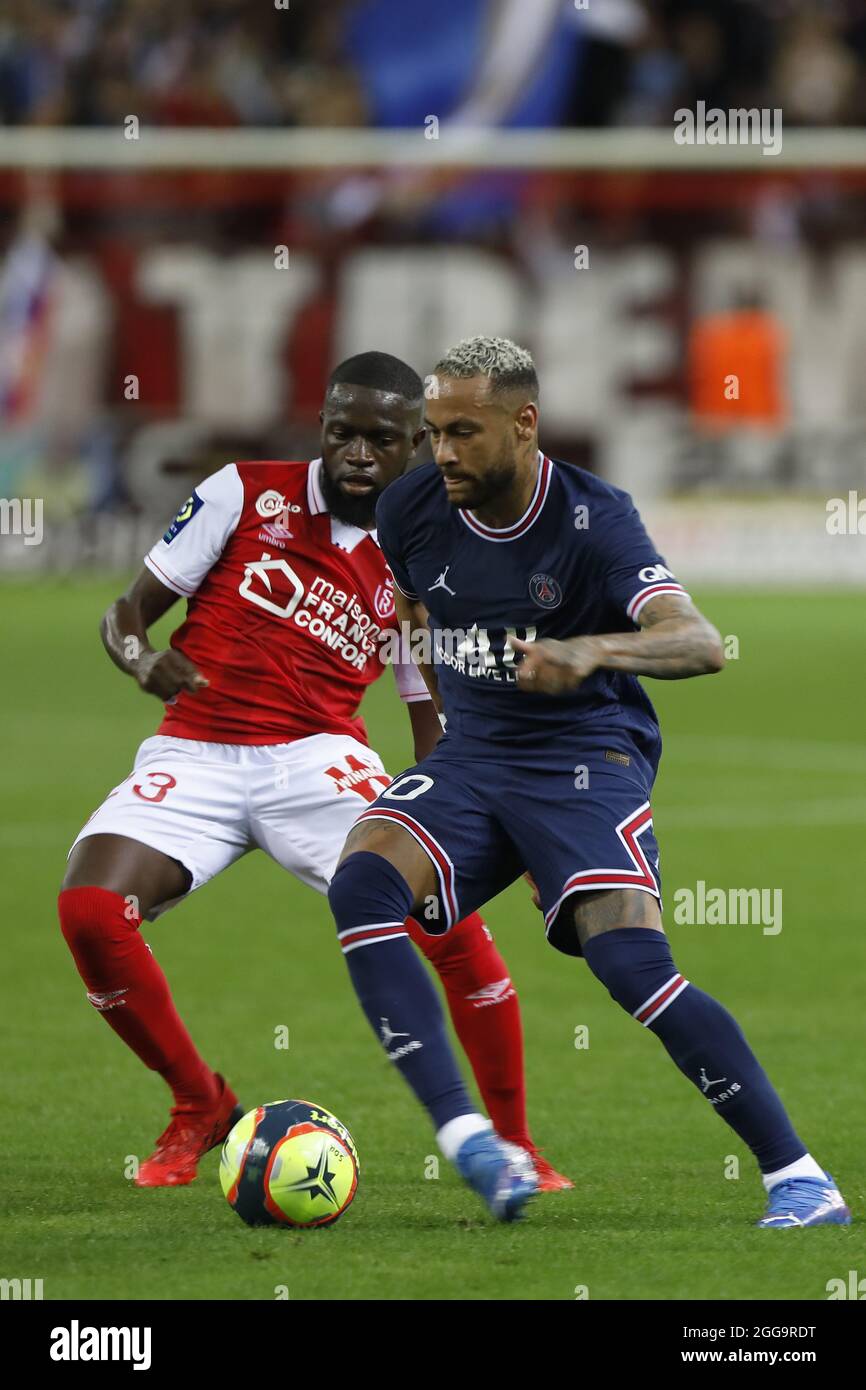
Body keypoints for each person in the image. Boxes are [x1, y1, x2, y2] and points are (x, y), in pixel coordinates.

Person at [328, 335, 851, 1228]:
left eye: (464, 430)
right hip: (472, 755)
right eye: (433, 430)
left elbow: (697, 640)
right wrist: (431, 734)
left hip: (584, 754)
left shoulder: (595, 518)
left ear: (525, 424)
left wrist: (591, 649)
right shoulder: (411, 507)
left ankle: (800, 1178)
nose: (441, 450)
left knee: (627, 959)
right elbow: (417, 612)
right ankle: (473, 1141)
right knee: (364, 884)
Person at [58, 350, 569, 1196]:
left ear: (415, 447)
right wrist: (140, 658)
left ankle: (514, 1142)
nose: (357, 453)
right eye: (342, 432)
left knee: (451, 927)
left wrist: (470, 831)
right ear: (322, 428)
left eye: (381, 439)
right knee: (88, 912)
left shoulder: (428, 559)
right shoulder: (240, 492)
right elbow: (124, 616)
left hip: (320, 765)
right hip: (196, 752)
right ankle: (201, 1106)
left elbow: (428, 713)